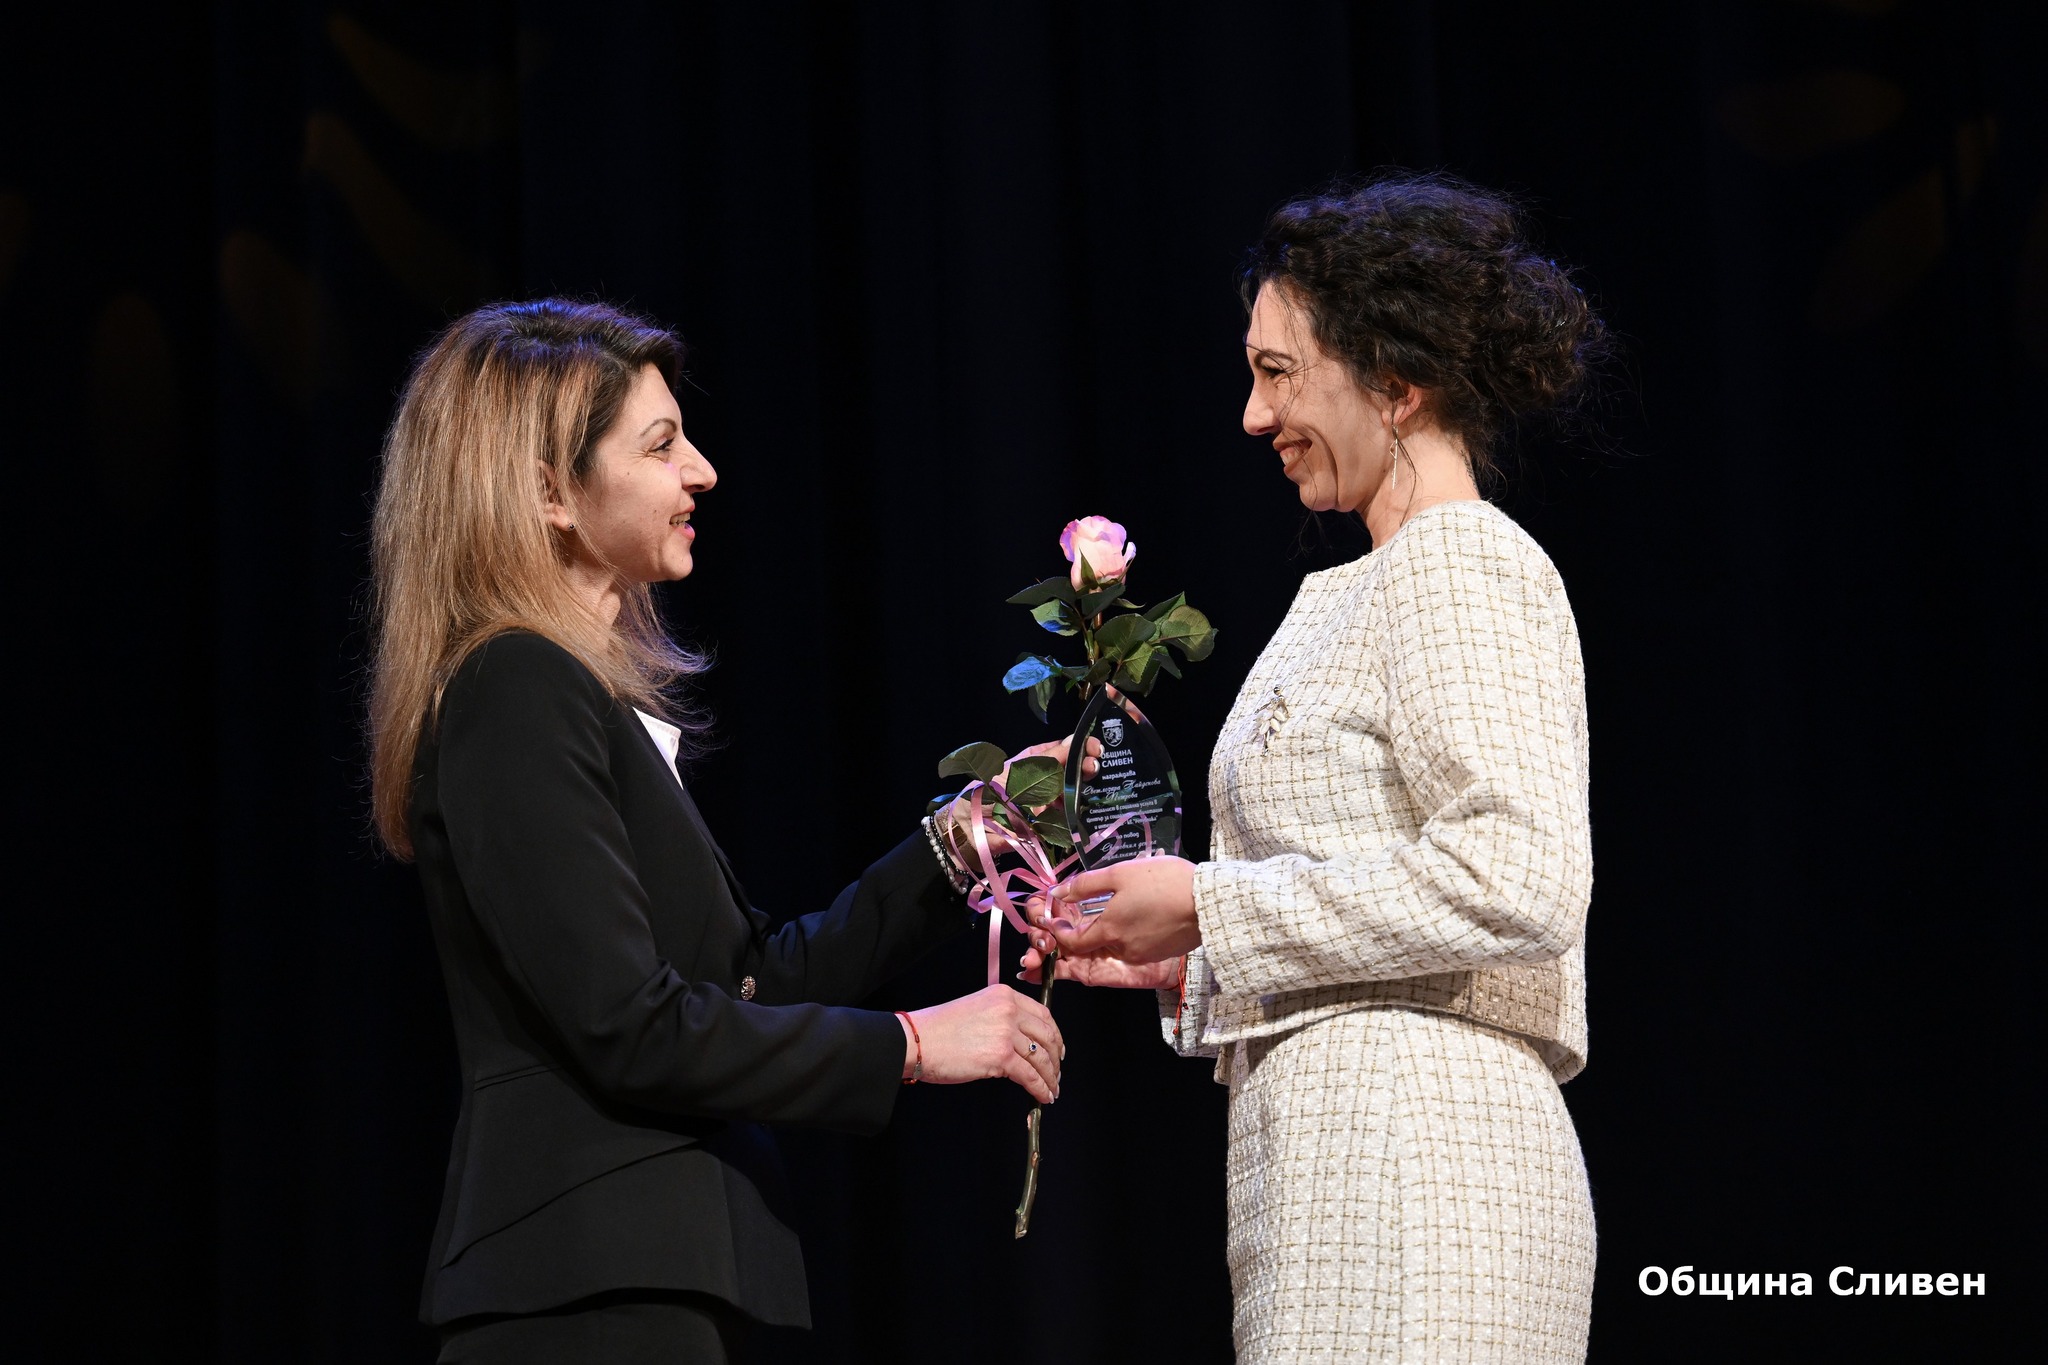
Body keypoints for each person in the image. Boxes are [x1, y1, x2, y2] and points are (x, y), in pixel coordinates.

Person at [367, 299, 1079, 1363]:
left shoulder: (566, 694)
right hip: (583, 1283)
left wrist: (969, 841)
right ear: (549, 491)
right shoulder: (514, 684)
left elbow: (744, 983)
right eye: (660, 446)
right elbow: (629, 1024)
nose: (700, 471)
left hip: (649, 1273)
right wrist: (915, 1044)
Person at [1031, 173, 1608, 1363]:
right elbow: (1365, 895)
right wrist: (1187, 958)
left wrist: (1212, 906)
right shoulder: (1367, 586)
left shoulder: (1457, 561)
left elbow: (1516, 875)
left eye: (1278, 372)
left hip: (1420, 1168)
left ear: (1395, 383)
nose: (1253, 414)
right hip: (1350, 1163)